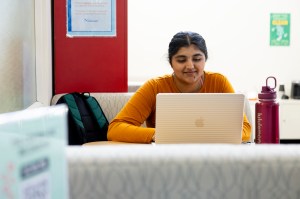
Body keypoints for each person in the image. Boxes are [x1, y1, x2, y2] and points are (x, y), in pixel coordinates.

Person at [107, 31, 251, 143]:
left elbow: (245, 129)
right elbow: (115, 129)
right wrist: (158, 135)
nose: (190, 66)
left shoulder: (219, 82)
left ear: (205, 59)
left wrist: (210, 135)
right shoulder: (155, 87)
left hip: (212, 156)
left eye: (197, 59)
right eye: (181, 60)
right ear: (171, 63)